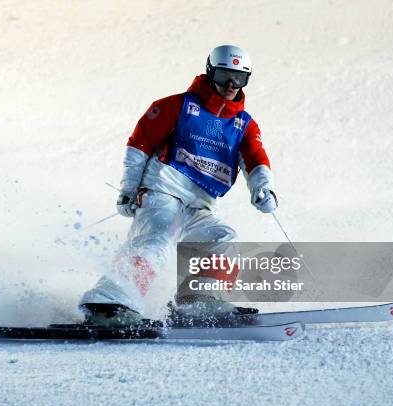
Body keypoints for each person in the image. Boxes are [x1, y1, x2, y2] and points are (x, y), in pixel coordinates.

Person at [79, 45, 277, 326]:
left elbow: (256, 160)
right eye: (223, 76)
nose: (231, 85)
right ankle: (109, 302)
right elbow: (139, 145)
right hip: (163, 191)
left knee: (224, 239)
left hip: (200, 204)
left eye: (239, 78)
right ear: (210, 73)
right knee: (156, 240)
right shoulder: (178, 106)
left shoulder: (243, 124)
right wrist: (128, 188)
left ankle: (199, 300)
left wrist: (263, 188)